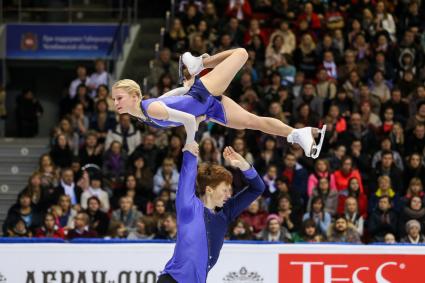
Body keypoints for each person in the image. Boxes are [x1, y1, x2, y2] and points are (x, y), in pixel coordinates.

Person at [112, 48, 326, 159]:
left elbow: (186, 119)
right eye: (114, 99)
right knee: (253, 121)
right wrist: (187, 90)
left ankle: (200, 63)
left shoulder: (150, 108)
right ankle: (299, 134)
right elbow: (173, 99)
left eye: (119, 98)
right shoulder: (146, 111)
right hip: (206, 106)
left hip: (202, 94)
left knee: (241, 54)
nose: (115, 103)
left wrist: (189, 142)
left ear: (134, 95)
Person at [157, 145, 265, 283]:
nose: (229, 194)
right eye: (225, 190)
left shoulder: (226, 213)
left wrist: (244, 165)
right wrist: (190, 147)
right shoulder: (189, 207)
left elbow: (257, 188)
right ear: (209, 190)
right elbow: (187, 174)